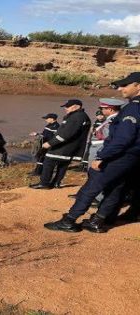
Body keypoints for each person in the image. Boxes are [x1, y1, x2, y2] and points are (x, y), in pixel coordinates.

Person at [44, 73, 140, 233]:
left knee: (91, 187)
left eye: (125, 85)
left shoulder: (132, 108)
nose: (121, 88)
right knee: (116, 187)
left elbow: (123, 138)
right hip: (132, 157)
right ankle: (99, 220)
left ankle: (69, 220)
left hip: (120, 155)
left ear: (138, 86)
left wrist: (102, 156)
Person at [29, 99, 91, 189]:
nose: (66, 108)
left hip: (64, 146)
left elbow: (66, 133)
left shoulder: (77, 117)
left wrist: (50, 143)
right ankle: (56, 183)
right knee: (63, 164)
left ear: (77, 106)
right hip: (71, 147)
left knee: (48, 160)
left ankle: (44, 183)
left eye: (68, 106)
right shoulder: (79, 116)